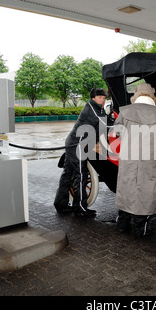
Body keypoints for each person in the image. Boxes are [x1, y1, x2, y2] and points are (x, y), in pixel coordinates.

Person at [114, 83, 156, 237]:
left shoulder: (125, 111)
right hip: (149, 160)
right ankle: (141, 228)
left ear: (136, 95)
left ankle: (122, 223)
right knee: (146, 189)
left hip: (128, 159)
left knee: (127, 187)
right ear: (152, 96)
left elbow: (117, 132)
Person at [54, 88, 109, 218]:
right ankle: (80, 208)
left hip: (75, 143)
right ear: (93, 97)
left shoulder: (97, 108)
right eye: (100, 97)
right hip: (77, 145)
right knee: (81, 174)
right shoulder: (91, 108)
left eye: (104, 97)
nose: (103, 99)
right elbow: (102, 124)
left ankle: (60, 205)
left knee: (68, 174)